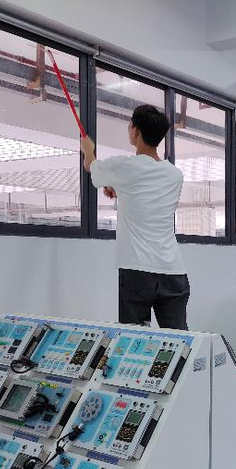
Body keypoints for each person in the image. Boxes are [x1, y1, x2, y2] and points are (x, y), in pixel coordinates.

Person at [80, 104, 189, 330]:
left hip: (137, 270)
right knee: (179, 341)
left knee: (134, 339)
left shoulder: (124, 166)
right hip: (173, 270)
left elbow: (90, 166)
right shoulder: (175, 175)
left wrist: (88, 149)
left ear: (136, 131)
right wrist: (120, 189)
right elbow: (148, 198)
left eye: (130, 125)